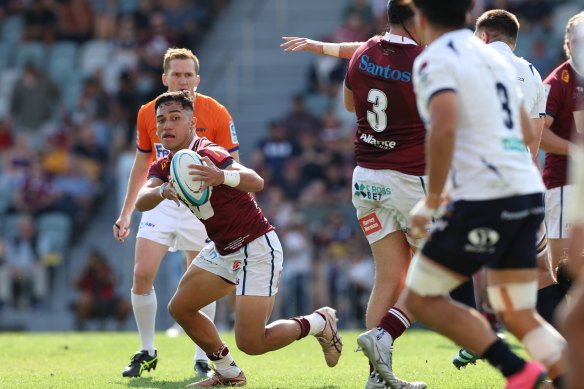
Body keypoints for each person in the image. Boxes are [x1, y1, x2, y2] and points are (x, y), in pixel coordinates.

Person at [393, 1, 567, 388]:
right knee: (516, 311)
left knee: (421, 298)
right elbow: (524, 128)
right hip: (525, 191)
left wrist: (434, 198)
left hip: (489, 196)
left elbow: (443, 127)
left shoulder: (436, 59)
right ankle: (568, 377)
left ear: (420, 19)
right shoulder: (497, 61)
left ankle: (518, 372)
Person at [136, 90, 343, 387]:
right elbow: (142, 200)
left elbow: (256, 181)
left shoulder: (208, 152)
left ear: (192, 123)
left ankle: (319, 323)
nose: (166, 125)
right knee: (180, 308)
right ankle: (229, 373)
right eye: (161, 120)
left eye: (175, 118)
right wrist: (162, 191)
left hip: (256, 246)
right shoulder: (165, 165)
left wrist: (221, 177)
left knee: (252, 342)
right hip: (223, 249)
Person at [113, 47, 240, 378]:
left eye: (187, 75)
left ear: (197, 79)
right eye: (176, 74)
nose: (182, 81)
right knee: (142, 274)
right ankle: (146, 350)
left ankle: (201, 355)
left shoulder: (216, 113)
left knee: (200, 282)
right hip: (161, 201)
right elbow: (143, 162)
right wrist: (127, 212)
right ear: (164, 78)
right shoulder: (148, 113)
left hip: (200, 208)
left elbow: (232, 165)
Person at [539, 11, 584, 293]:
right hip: (565, 186)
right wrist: (576, 152)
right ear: (568, 41)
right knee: (564, 271)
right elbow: (539, 134)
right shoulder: (558, 81)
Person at [72, 249, 131, 330]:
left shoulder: (106, 269)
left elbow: (115, 280)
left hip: (108, 300)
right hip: (92, 302)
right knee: (85, 299)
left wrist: (102, 274)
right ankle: (81, 326)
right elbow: (75, 283)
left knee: (126, 304)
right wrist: (86, 270)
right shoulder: (86, 272)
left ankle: (120, 328)